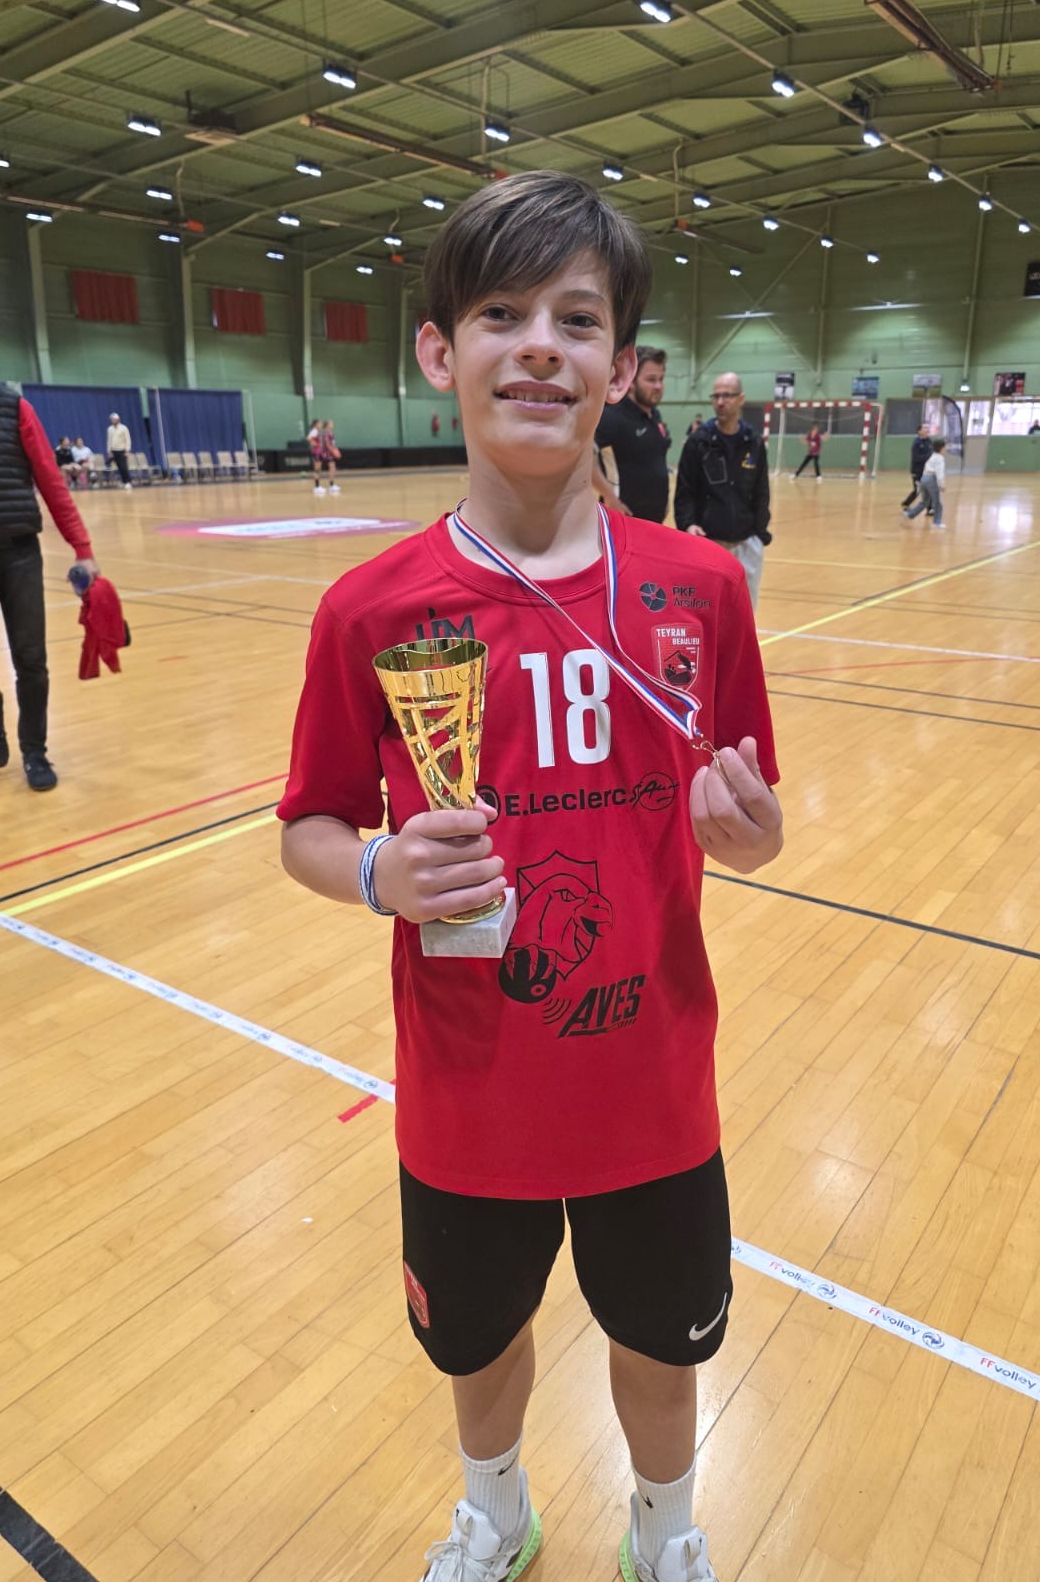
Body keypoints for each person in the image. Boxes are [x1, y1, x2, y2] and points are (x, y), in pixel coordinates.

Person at [276, 170, 783, 1582]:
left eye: (578, 318)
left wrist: (750, 835)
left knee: (663, 1342)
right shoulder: (368, 610)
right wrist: (376, 871)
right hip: (469, 1088)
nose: (540, 347)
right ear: (441, 351)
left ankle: (666, 1533)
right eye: (502, 315)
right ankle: (496, 1514)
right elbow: (307, 826)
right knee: (478, 1341)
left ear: (620, 368)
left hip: (652, 1081)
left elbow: (757, 818)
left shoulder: (701, 591)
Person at [0, 308, 100, 790]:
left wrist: (82, 547)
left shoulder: (14, 407)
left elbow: (51, 482)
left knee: (31, 659)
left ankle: (35, 751)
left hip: (19, 554)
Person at [674, 372, 771, 610]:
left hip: (747, 543)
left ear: (740, 399)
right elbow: (685, 490)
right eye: (716, 396)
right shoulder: (699, 441)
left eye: (727, 396)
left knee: (745, 613)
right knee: (705, 613)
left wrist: (759, 531)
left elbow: (761, 491)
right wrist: (687, 524)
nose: (720, 402)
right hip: (708, 543)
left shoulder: (754, 442)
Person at [592, 345, 671, 523]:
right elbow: (585, 458)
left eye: (661, 379)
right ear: (632, 381)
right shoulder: (612, 416)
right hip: (624, 520)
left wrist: (664, 499)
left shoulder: (655, 416)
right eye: (651, 380)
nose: (658, 386)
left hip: (655, 520)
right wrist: (610, 497)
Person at [904, 436, 947, 528]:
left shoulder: (932, 456)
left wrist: (923, 480)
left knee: (924, 502)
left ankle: (910, 514)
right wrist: (941, 484)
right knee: (937, 503)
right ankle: (937, 523)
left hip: (924, 478)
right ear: (942, 448)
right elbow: (939, 472)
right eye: (945, 447)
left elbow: (926, 468)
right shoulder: (940, 458)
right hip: (931, 479)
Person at [900, 424, 932, 512]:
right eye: (925, 428)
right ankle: (906, 504)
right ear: (919, 431)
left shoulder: (929, 441)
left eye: (927, 428)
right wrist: (928, 457)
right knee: (917, 490)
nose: (927, 430)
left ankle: (930, 508)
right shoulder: (916, 443)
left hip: (926, 471)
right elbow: (916, 458)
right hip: (917, 471)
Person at [310, 417, 340, 495]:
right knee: (318, 469)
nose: (333, 425)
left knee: (330, 468)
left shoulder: (324, 432)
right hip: (325, 453)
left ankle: (330, 485)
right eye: (331, 423)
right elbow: (327, 444)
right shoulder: (322, 432)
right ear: (327, 425)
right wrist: (334, 451)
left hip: (323, 452)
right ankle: (317, 487)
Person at [106, 413, 132, 490]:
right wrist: (109, 451)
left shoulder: (124, 428)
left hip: (122, 450)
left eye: (114, 419)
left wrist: (127, 450)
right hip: (114, 451)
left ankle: (128, 482)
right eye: (111, 419)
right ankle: (124, 482)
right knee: (119, 468)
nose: (112, 421)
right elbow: (109, 440)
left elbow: (128, 439)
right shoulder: (109, 429)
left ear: (118, 419)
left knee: (124, 467)